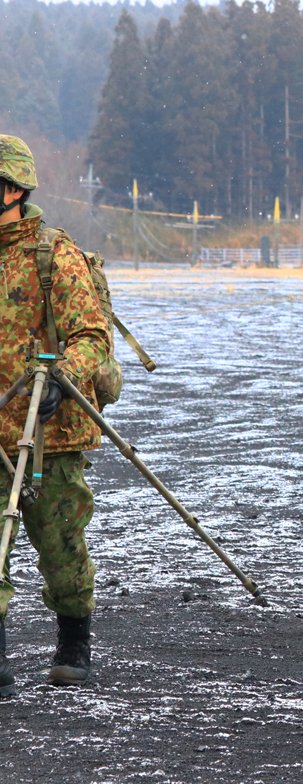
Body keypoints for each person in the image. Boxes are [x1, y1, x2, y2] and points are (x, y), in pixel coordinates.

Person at [0, 134, 111, 694]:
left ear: (13, 189)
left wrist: (61, 376)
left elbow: (92, 335)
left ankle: (73, 639)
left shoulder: (52, 254)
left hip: (51, 434)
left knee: (61, 548)